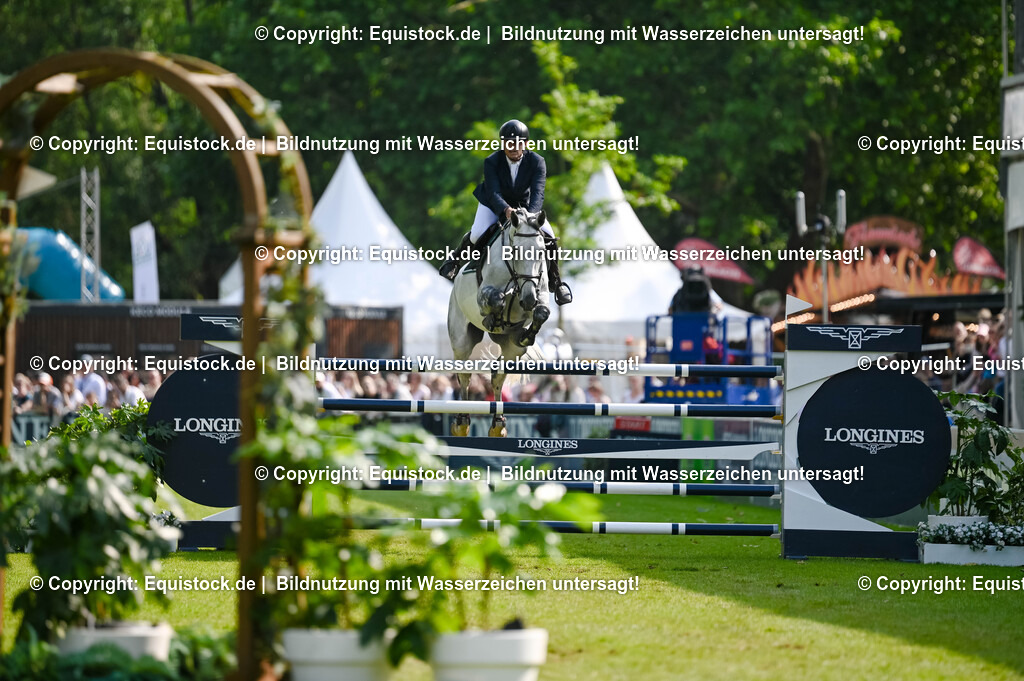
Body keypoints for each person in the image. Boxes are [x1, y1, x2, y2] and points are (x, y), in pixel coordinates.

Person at [438, 119, 572, 305]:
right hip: (493, 203)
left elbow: (538, 193)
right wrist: (506, 210)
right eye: (509, 143)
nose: (514, 148)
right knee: (478, 233)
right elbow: (493, 192)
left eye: (518, 143)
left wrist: (529, 217)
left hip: (525, 206)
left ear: (525, 143)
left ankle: (556, 282)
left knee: (549, 235)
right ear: (503, 144)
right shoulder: (492, 161)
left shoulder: (537, 161)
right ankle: (454, 260)